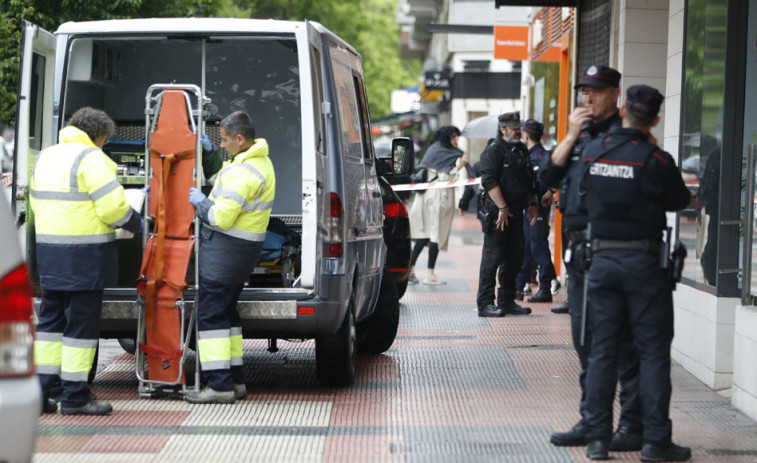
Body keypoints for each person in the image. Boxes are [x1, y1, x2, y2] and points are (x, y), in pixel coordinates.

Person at [580, 85, 692, 461]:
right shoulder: (657, 159)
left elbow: (581, 195)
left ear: (624, 108)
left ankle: (597, 439)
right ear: (655, 120)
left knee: (602, 353)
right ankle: (655, 442)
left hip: (602, 264)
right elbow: (679, 201)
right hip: (645, 267)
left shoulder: (594, 151)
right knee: (653, 354)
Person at [541, 65, 642, 450]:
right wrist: (568, 135)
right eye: (585, 90)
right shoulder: (577, 134)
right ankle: (592, 420)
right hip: (581, 252)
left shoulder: (628, 133)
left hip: (618, 250)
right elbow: (547, 179)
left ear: (615, 93)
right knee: (586, 341)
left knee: (624, 344)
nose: (588, 98)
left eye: (597, 91)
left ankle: (631, 425)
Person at [31, 107, 143, 415]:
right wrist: (136, 222)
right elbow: (112, 210)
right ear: (98, 135)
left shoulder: (46, 156)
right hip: (84, 256)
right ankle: (75, 397)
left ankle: (42, 393)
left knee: (50, 324)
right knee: (80, 327)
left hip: (50, 254)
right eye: (105, 140)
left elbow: (37, 203)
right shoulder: (92, 158)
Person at [184, 111, 276, 404]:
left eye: (223, 141)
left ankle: (219, 386)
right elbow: (219, 179)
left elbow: (219, 218)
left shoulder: (245, 172)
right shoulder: (253, 163)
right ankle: (235, 380)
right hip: (241, 254)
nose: (221, 145)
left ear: (239, 139)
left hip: (225, 253)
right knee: (227, 314)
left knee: (210, 315)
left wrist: (200, 204)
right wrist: (208, 154)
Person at [476, 112, 538, 317]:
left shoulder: (521, 150)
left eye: (518, 126)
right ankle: (485, 303)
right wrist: (502, 208)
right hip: (498, 213)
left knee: (514, 257)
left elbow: (529, 178)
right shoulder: (494, 150)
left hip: (517, 211)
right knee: (492, 259)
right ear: (502, 129)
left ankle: (506, 300)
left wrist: (532, 204)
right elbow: (489, 181)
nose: (517, 130)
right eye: (512, 127)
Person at [408, 126, 467, 285]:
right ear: (447, 137)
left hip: (425, 196)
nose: (456, 140)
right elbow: (445, 178)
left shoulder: (433, 149)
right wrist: (459, 166)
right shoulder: (450, 154)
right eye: (454, 137)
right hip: (438, 197)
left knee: (424, 233)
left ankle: (411, 270)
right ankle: (429, 273)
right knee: (436, 233)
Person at [514, 119, 556, 303]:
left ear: (526, 135)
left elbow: (542, 182)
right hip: (530, 207)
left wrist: (550, 191)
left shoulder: (539, 156)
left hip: (537, 206)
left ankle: (546, 285)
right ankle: (518, 286)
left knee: (537, 246)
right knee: (527, 247)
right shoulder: (531, 154)